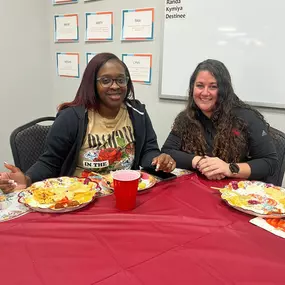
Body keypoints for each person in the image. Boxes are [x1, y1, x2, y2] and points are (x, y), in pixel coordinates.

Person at [0, 53, 176, 193]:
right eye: (106, 80)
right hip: (81, 197)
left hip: (122, 194)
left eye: (120, 80)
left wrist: (157, 160)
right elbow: (50, 162)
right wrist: (28, 178)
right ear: (92, 84)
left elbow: (148, 149)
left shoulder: (137, 112)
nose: (115, 86)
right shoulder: (71, 118)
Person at [162, 59, 278, 182]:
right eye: (200, 86)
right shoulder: (186, 118)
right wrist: (199, 161)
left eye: (213, 87)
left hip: (237, 193)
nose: (205, 93)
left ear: (224, 90)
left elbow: (269, 162)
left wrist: (229, 168)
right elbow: (168, 151)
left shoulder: (246, 117)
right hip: (200, 187)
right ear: (192, 88)